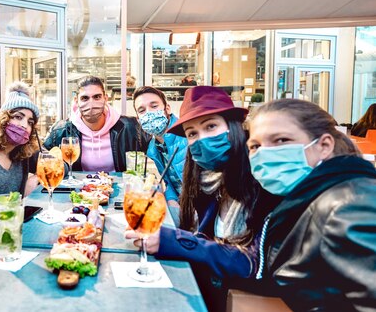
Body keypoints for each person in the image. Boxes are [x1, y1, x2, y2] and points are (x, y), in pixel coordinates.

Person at [125, 86, 279, 311]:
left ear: (234, 127)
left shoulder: (263, 182)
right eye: (192, 134)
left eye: (211, 126)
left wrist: (172, 240)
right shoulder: (206, 180)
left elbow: (253, 264)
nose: (202, 139)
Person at [247, 99, 376, 311]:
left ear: (324, 146)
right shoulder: (304, 199)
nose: (264, 154)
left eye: (281, 140)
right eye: (255, 146)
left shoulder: (347, 207)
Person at [44, 75, 144, 172]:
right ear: (76, 101)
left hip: (121, 188)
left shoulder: (131, 127)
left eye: (97, 97)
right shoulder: (61, 131)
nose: (91, 103)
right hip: (77, 189)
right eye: (85, 98)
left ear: (105, 98)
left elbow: (156, 150)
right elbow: (42, 159)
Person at [132, 86, 187, 202]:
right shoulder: (153, 148)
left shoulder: (188, 135)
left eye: (154, 106)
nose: (149, 113)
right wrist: (171, 199)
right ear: (138, 120)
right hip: (180, 205)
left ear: (167, 109)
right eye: (142, 110)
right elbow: (168, 181)